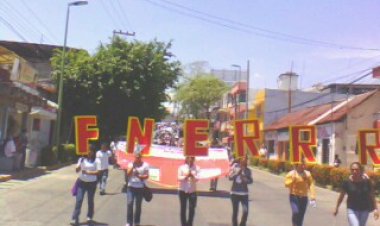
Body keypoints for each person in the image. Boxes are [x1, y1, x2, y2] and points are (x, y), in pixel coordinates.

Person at [334, 162, 379, 226]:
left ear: (360, 170)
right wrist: (337, 208)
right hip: (352, 209)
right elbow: (341, 196)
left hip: (365, 209)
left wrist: (376, 209)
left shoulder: (367, 182)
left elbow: (372, 196)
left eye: (356, 169)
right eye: (352, 170)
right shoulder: (347, 182)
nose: (354, 171)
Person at [71, 146, 100, 225]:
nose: (89, 152)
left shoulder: (96, 161)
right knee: (79, 200)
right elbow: (77, 170)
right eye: (88, 150)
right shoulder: (81, 159)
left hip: (92, 183)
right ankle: (75, 217)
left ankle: (89, 217)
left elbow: (98, 172)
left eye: (91, 151)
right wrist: (80, 165)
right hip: (82, 182)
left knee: (90, 200)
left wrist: (88, 172)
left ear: (93, 152)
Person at [284, 161, 316, 226]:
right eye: (302, 165)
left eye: (304, 165)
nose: (303, 166)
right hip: (294, 197)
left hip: (304, 197)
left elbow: (311, 184)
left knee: (301, 215)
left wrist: (313, 195)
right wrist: (292, 180)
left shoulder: (307, 174)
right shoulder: (291, 174)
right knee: (296, 212)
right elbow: (286, 184)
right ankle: (294, 224)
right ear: (297, 165)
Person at [125, 148, 149, 226]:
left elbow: (147, 176)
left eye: (139, 156)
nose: (137, 157)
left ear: (141, 156)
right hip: (131, 187)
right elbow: (128, 174)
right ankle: (129, 222)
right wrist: (133, 166)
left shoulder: (145, 165)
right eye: (136, 156)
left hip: (140, 187)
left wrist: (139, 176)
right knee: (129, 203)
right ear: (134, 156)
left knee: (138, 205)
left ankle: (137, 221)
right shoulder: (130, 164)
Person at [229, 156, 253, 226]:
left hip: (244, 194)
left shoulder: (248, 171)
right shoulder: (235, 168)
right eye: (243, 159)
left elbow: (250, 181)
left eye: (246, 159)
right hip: (234, 193)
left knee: (245, 211)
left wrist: (245, 179)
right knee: (235, 212)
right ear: (240, 160)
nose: (245, 161)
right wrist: (237, 173)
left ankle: (242, 224)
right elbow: (230, 178)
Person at [178, 156, 199, 226]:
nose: (191, 159)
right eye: (190, 158)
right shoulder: (182, 167)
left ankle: (190, 224)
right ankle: (183, 224)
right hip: (183, 190)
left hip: (192, 191)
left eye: (193, 158)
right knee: (183, 208)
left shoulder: (197, 168)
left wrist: (193, 175)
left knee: (192, 208)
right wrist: (186, 176)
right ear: (186, 158)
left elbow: (198, 179)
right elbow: (179, 178)